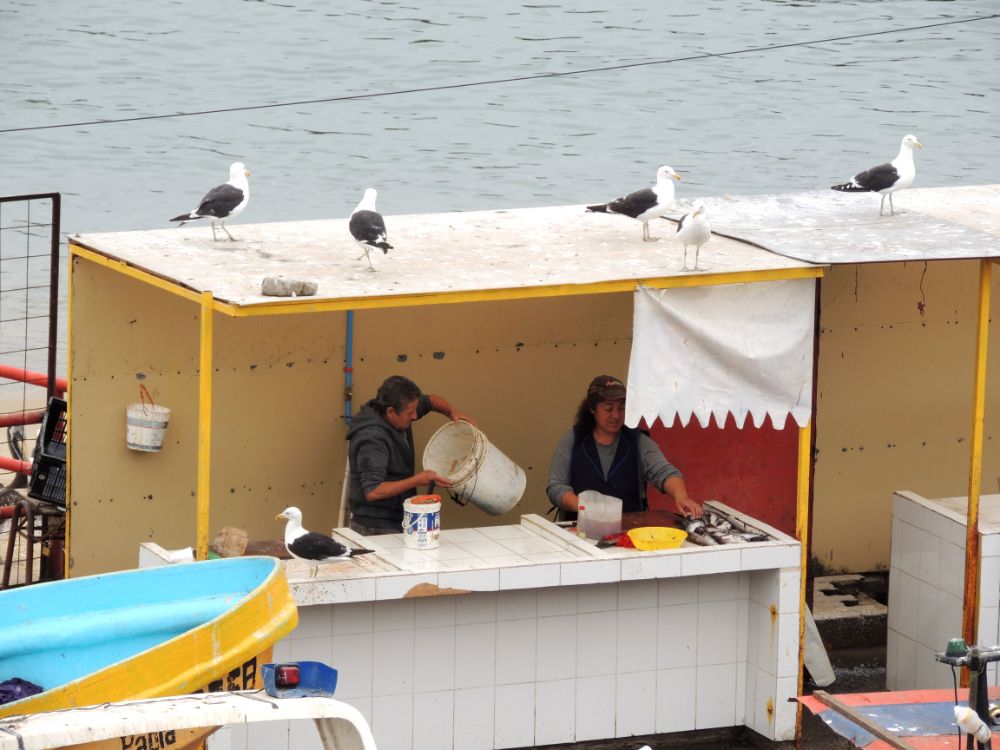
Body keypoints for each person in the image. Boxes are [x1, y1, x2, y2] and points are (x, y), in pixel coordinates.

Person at [546, 374, 702, 519]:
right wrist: (585, 507)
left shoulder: (638, 441)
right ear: (592, 409)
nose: (616, 415)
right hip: (578, 532)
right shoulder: (573, 440)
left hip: (629, 531)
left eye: (621, 408)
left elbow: (665, 472)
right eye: (608, 408)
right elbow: (556, 487)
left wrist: (681, 496)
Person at [346, 375, 473, 535]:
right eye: (410, 413)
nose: (415, 416)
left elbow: (432, 400)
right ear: (391, 412)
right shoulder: (373, 439)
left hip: (400, 515)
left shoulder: (401, 410)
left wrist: (452, 412)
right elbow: (373, 491)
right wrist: (418, 480)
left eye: (415, 410)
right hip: (375, 525)